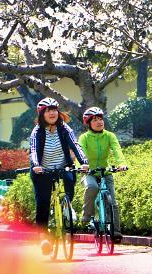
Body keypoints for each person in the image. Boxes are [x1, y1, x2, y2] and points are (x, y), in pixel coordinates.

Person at [29, 98, 88, 233]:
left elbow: (75, 145)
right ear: (42, 114)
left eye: (54, 110)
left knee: (69, 183)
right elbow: (33, 150)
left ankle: (67, 206)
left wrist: (84, 162)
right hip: (42, 170)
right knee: (42, 202)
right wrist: (36, 165)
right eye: (48, 111)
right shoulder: (37, 131)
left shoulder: (64, 128)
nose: (52, 113)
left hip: (64, 166)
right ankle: (42, 236)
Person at [78, 106, 127, 242]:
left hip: (105, 172)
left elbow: (117, 150)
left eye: (100, 119)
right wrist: (82, 166)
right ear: (88, 123)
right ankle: (87, 216)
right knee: (92, 187)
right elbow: (80, 153)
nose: (99, 122)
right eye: (95, 120)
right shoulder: (84, 138)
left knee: (113, 203)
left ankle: (115, 233)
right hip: (89, 172)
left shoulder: (110, 136)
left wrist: (121, 163)